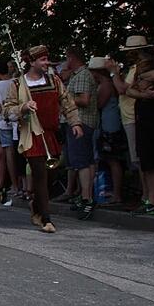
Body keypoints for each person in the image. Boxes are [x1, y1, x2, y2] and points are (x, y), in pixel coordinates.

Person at [3, 46, 81, 233]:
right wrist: (23, 107)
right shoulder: (17, 84)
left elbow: (67, 103)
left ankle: (36, 205)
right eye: (43, 60)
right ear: (32, 62)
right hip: (31, 135)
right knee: (39, 174)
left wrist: (75, 123)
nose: (47, 63)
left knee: (51, 176)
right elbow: (6, 111)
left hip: (51, 133)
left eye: (47, 59)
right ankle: (46, 219)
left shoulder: (54, 81)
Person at [107, 35, 151, 209]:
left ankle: (147, 196)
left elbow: (121, 89)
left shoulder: (141, 67)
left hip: (133, 116)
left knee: (140, 159)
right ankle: (145, 194)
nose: (127, 54)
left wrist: (113, 73)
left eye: (130, 51)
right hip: (128, 116)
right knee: (137, 159)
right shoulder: (134, 68)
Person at [128, 33, 154, 216]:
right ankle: (152, 202)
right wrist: (143, 94)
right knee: (149, 161)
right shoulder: (148, 65)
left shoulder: (149, 69)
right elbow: (130, 90)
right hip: (146, 119)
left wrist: (143, 77)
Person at [64, 48, 99, 220]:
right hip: (79, 122)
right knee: (86, 160)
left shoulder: (83, 75)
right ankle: (86, 195)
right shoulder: (77, 75)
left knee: (82, 161)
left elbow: (84, 99)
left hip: (81, 122)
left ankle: (87, 198)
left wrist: (64, 99)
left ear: (72, 58)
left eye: (66, 58)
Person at [89, 57, 125, 206]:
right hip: (109, 124)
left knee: (112, 160)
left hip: (110, 126)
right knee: (110, 160)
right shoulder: (107, 83)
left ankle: (117, 194)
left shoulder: (106, 84)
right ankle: (111, 191)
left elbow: (98, 104)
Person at [0, 60, 24, 201]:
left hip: (5, 122)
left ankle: (14, 185)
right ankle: (17, 184)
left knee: (9, 154)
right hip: (19, 120)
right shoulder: (16, 82)